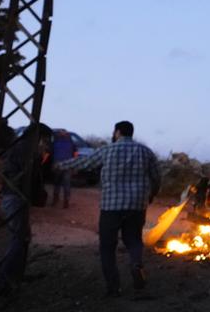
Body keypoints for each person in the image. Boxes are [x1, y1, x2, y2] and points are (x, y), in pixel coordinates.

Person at [57, 120, 160, 297]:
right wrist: (151, 195)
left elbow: (85, 163)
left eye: (114, 132)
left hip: (111, 207)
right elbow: (156, 177)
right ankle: (136, 263)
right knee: (134, 239)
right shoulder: (146, 152)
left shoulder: (107, 150)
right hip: (136, 205)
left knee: (107, 246)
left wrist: (60, 165)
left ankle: (114, 287)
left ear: (118, 132)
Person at [0, 124, 51, 295]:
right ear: (38, 137)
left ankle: (11, 276)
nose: (45, 144)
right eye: (44, 140)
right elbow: (29, 176)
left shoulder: (22, 148)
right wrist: (41, 159)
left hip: (15, 198)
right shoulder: (25, 150)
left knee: (22, 238)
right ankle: (3, 280)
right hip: (15, 198)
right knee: (19, 239)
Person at [50, 129, 75, 208]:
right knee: (66, 184)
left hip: (57, 165)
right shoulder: (70, 143)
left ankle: (55, 201)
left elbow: (51, 153)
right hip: (68, 165)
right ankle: (66, 201)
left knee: (57, 183)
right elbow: (75, 154)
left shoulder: (55, 142)